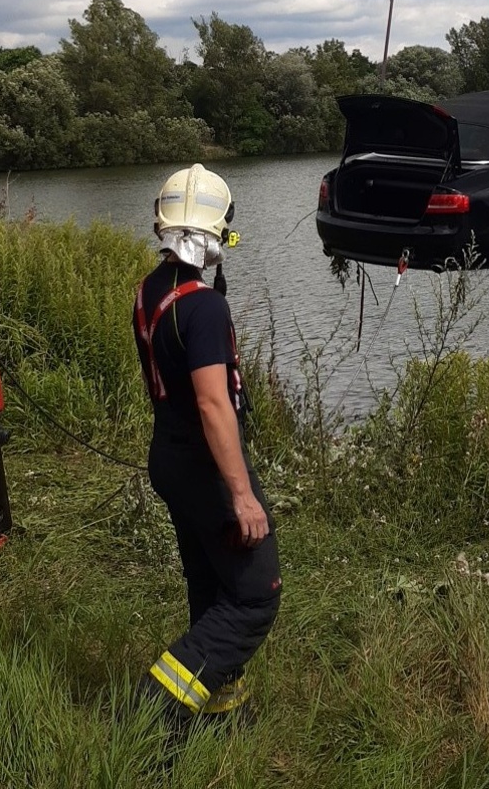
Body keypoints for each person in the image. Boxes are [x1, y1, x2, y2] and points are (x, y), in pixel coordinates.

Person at [133, 165, 281, 728]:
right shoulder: (204, 307)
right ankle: (155, 708)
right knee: (254, 597)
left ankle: (219, 715)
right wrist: (242, 495)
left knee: (214, 587)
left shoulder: (149, 291)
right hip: (208, 469)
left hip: (169, 460)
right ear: (217, 232)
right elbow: (213, 404)